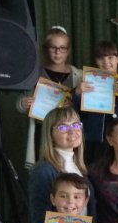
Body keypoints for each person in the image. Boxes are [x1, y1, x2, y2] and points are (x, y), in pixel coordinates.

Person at [17, 26, 82, 169]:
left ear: (68, 50)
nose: (57, 52)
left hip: (69, 133)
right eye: (53, 48)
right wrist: (23, 103)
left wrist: (76, 99)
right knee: (44, 168)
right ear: (45, 49)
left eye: (62, 48)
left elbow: (86, 106)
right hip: (43, 131)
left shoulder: (79, 75)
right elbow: (21, 101)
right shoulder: (34, 74)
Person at [28, 106, 95, 223]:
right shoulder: (43, 171)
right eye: (63, 127)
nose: (72, 131)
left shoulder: (79, 168)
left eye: (76, 125)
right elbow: (39, 221)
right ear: (50, 135)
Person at [72, 40, 118, 164]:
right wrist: (77, 93)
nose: (106, 62)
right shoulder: (87, 81)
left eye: (110, 57)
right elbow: (75, 114)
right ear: (95, 61)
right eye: (101, 58)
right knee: (93, 170)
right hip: (94, 140)